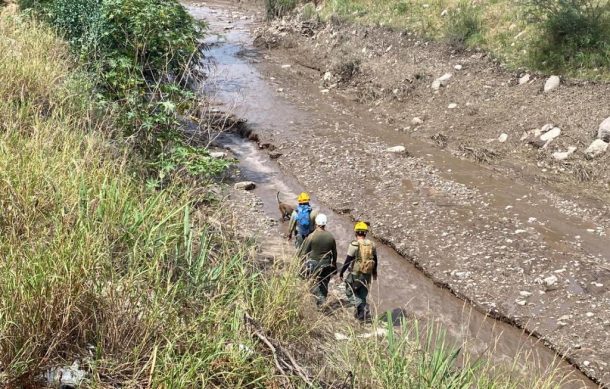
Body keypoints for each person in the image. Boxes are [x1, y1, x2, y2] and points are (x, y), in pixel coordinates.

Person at [339, 221, 378, 321]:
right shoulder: (372, 245)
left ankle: (361, 307)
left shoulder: (354, 245)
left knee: (349, 292)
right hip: (367, 273)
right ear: (365, 233)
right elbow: (375, 259)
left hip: (356, 274)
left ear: (356, 233)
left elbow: (348, 260)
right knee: (363, 293)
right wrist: (374, 272)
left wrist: (341, 272)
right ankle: (361, 315)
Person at [298, 214, 337, 307]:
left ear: (316, 223)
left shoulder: (312, 236)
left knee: (313, 282)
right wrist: (334, 263)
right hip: (327, 264)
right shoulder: (330, 236)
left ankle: (319, 301)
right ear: (325, 224)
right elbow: (335, 252)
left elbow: (304, 252)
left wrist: (300, 263)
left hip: (313, 264)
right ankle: (322, 301)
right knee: (324, 283)